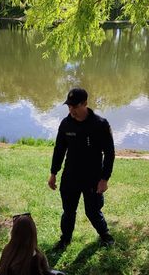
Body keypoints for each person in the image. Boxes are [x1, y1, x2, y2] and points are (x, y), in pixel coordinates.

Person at [48, 87, 115, 250]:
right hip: (70, 176)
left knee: (92, 211)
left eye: (75, 106)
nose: (71, 110)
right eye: (69, 106)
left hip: (93, 177)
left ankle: (105, 236)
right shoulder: (66, 124)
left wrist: (104, 179)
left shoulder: (100, 124)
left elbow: (109, 153)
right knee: (68, 211)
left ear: (85, 103)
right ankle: (65, 239)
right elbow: (59, 149)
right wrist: (53, 173)